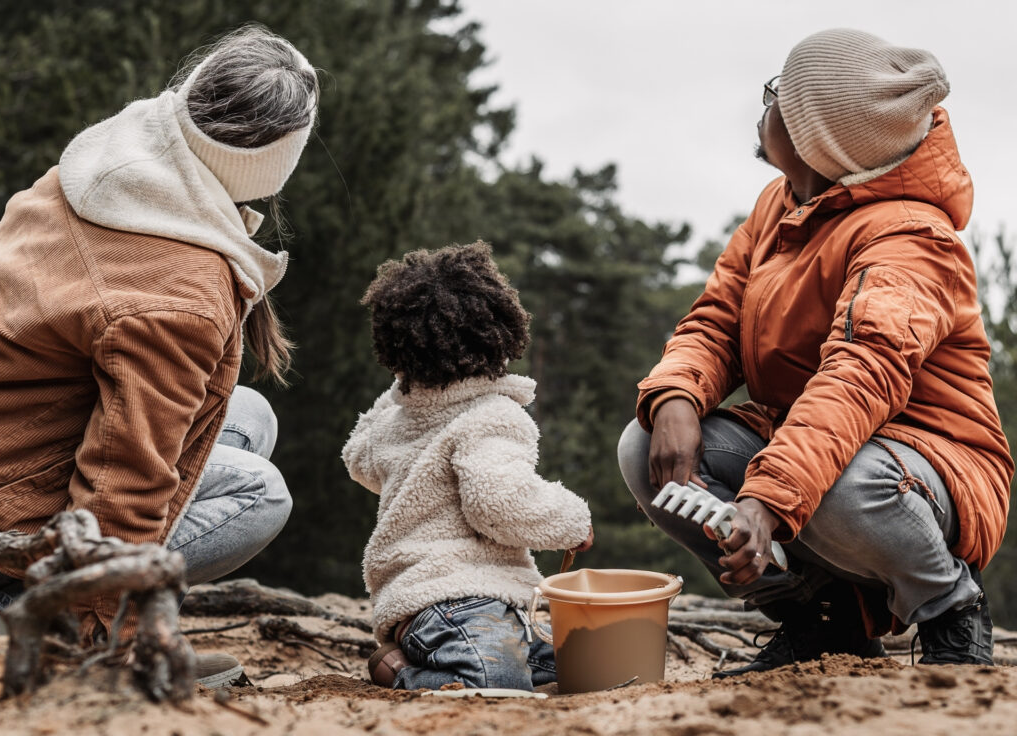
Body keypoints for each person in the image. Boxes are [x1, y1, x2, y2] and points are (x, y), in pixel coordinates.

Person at [617, 28, 1012, 677]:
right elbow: (717, 317)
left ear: (811, 136)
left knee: (834, 486)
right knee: (645, 448)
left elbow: (858, 379)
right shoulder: (781, 205)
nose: (765, 103)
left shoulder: (910, 238)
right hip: (818, 443)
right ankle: (820, 617)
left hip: (927, 467)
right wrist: (679, 396)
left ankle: (950, 610)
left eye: (779, 93)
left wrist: (767, 500)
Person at [0, 25, 318, 687]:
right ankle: (50, 623)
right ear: (273, 165)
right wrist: (113, 645)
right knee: (263, 493)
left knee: (250, 416)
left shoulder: (103, 164)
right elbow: (124, 485)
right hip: (10, 526)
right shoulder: (184, 295)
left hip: (9, 446)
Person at [343, 242, 594, 690]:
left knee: (577, 666)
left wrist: (400, 388)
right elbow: (500, 505)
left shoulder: (397, 417)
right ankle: (400, 672)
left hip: (460, 603)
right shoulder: (492, 416)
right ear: (502, 330)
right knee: (493, 678)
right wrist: (573, 520)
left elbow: (358, 458)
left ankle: (422, 658)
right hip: (447, 598)